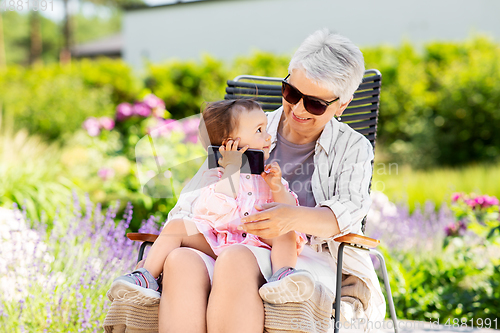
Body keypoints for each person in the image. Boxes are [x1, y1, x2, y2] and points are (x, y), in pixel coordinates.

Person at [129, 29, 386, 333]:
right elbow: (188, 206)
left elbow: (346, 213)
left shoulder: (352, 148)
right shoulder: (250, 127)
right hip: (229, 239)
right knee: (182, 261)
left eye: (315, 104)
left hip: (303, 258)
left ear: (341, 105)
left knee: (237, 259)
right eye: (291, 93)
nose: (299, 109)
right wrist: (222, 178)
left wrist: (289, 218)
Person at [107, 99, 317, 306]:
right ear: (230, 143)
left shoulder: (269, 175)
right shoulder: (215, 176)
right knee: (176, 226)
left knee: (286, 230)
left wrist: (276, 186)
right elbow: (215, 214)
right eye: (259, 130)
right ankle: (145, 277)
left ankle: (283, 276)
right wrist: (231, 172)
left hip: (259, 241)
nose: (268, 136)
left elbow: (290, 210)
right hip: (219, 240)